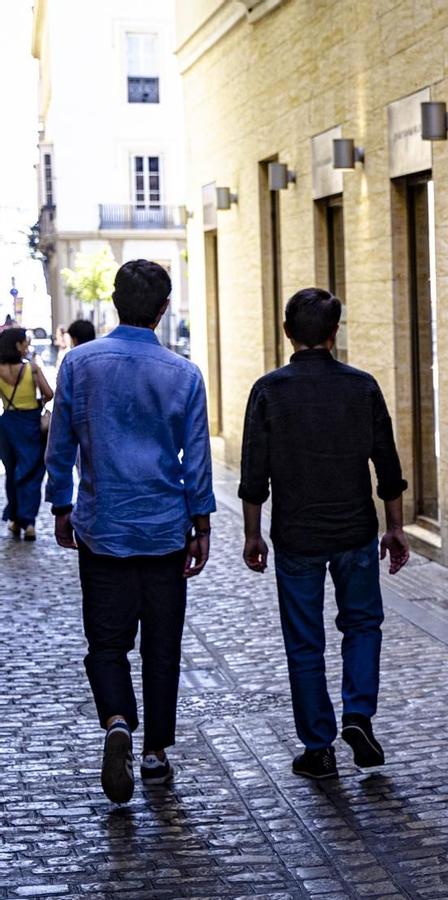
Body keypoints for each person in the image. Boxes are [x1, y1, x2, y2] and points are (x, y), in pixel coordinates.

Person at [46, 260, 213, 805]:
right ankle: (155, 755)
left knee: (107, 644)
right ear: (164, 309)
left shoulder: (79, 364)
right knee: (162, 648)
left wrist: (61, 505)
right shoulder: (184, 374)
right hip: (165, 530)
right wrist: (201, 521)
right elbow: (197, 458)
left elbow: (62, 445)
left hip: (104, 529)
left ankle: (118, 719)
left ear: (114, 302)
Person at [239, 287, 410, 781]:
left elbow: (254, 474)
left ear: (287, 332)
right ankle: (358, 715)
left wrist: (253, 534)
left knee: (304, 642)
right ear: (335, 333)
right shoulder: (362, 387)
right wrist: (395, 527)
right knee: (361, 625)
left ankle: (318, 747)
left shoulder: (269, 390)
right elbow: (389, 466)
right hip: (355, 530)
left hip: (297, 537)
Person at [0, 327, 53, 540]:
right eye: (25, 343)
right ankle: (28, 522)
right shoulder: (31, 369)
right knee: (31, 472)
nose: (27, 346)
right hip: (30, 424)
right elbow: (49, 393)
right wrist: (37, 402)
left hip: (7, 424)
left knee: (11, 472)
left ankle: (14, 519)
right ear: (17, 345)